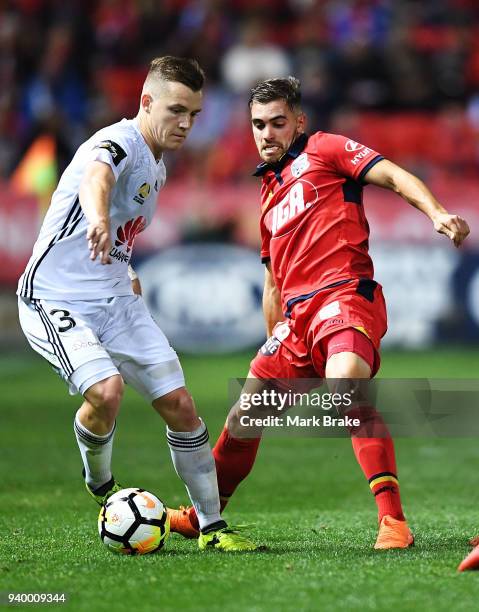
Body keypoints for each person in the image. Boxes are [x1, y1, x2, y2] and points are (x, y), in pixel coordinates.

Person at [169, 76, 470, 548]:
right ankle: (203, 514)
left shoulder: (326, 149)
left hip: (345, 296)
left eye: (278, 123)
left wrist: (435, 212)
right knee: (243, 418)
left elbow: (391, 173)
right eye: (258, 125)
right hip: (294, 322)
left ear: (299, 122)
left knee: (346, 390)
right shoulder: (267, 196)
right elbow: (272, 282)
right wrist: (275, 339)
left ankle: (393, 522)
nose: (267, 133)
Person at [16, 56, 257, 552]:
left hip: (116, 299)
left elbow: (122, 234)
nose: (186, 123)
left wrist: (124, 266)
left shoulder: (158, 166)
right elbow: (96, 176)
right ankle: (101, 483)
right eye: (176, 110)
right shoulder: (119, 142)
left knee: (181, 406)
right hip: (55, 297)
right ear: (146, 102)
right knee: (106, 393)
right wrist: (98, 217)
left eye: (193, 113)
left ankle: (213, 528)